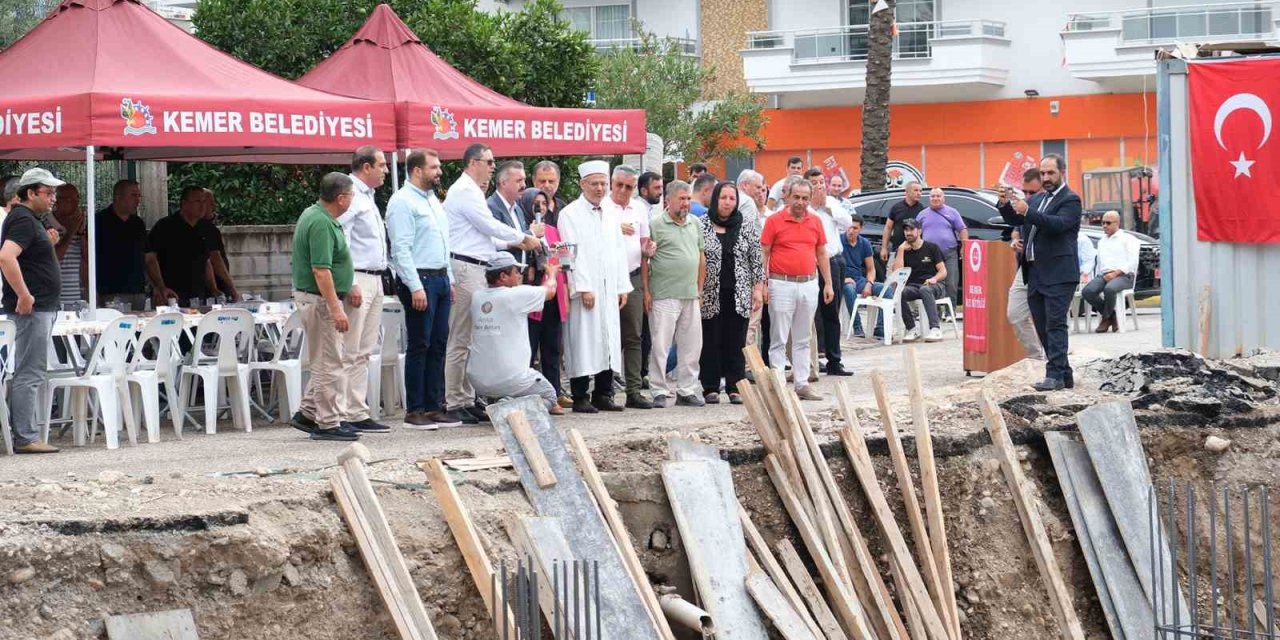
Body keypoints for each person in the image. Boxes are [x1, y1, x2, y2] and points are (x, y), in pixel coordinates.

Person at [445, 144, 540, 424]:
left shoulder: (472, 191)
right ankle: (454, 399)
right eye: (488, 161)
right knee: (461, 336)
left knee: (472, 336)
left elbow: (489, 237)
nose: (491, 166)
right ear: (473, 162)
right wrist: (523, 238)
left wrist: (519, 238)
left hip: (477, 265)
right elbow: (489, 226)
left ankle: (466, 396)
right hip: (466, 266)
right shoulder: (464, 191)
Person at [386, 149, 460, 430]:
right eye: (434, 167)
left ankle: (435, 405)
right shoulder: (402, 202)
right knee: (420, 344)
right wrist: (414, 285)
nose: (439, 171)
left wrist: (450, 278)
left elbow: (443, 244)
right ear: (417, 170)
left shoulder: (433, 201)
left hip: (439, 277)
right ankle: (415, 409)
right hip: (420, 279)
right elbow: (401, 248)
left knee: (439, 343)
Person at [290, 173, 361, 442]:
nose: (352, 200)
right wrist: (336, 308)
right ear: (341, 198)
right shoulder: (320, 222)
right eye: (351, 195)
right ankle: (328, 422)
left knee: (327, 358)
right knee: (328, 362)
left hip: (319, 298)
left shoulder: (319, 216)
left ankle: (308, 413)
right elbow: (321, 271)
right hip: (319, 300)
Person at [558, 160, 632, 414]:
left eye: (603, 183)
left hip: (609, 287)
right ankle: (580, 395)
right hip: (586, 290)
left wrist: (622, 285)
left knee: (608, 340)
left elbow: (618, 251)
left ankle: (604, 392)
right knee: (584, 341)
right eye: (595, 184)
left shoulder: (611, 213)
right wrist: (583, 287)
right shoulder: (569, 214)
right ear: (582, 184)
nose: (600, 188)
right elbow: (570, 253)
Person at [0, 168, 65, 453]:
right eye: (47, 193)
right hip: (33, 307)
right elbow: (5, 256)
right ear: (30, 193)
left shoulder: (29, 220)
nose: (52, 198)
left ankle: (27, 433)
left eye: (54, 193)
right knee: (30, 371)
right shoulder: (23, 219)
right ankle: (26, 436)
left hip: (42, 306)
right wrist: (24, 294)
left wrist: (46, 243)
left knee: (32, 370)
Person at [335, 146, 393, 434]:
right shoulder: (351, 193)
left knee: (364, 349)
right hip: (358, 276)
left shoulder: (368, 196)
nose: (386, 170)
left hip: (375, 277)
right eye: (382, 165)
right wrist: (349, 281)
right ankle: (341, 411)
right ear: (366, 167)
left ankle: (357, 410)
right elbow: (341, 239)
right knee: (350, 347)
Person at [761, 180, 833, 400]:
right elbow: (764, 252)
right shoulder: (774, 221)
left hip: (809, 283)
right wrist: (762, 283)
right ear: (787, 197)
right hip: (780, 283)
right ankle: (779, 385)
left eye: (805, 198)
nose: (800, 202)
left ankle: (802, 384)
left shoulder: (816, 221)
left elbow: (821, 253)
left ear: (810, 199)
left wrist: (828, 283)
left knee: (803, 337)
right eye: (797, 197)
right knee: (779, 337)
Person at [1015, 154, 1082, 391]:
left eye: (1050, 173)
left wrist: (1028, 212)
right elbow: (1021, 221)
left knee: (1055, 324)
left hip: (1060, 273)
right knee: (1042, 325)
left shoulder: (1071, 199)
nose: (1046, 178)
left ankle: (1053, 375)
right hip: (1036, 271)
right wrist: (1005, 206)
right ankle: (1064, 373)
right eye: (1042, 173)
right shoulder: (1039, 199)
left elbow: (1057, 225)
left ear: (1062, 172)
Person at [467, 254, 562, 412]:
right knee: (550, 397)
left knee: (512, 387)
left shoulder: (477, 296)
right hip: (511, 379)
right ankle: (508, 406)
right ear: (503, 276)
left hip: (478, 380)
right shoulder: (515, 295)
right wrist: (551, 273)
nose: (520, 275)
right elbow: (550, 291)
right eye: (516, 272)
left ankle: (503, 400)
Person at [699, 181, 763, 405]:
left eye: (731, 198)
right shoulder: (702, 225)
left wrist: (757, 289)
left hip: (740, 293)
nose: (727, 202)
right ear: (715, 199)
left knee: (737, 340)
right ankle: (710, 387)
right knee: (711, 339)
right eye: (723, 198)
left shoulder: (745, 226)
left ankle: (736, 386)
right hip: (710, 293)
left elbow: (756, 259)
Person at [644, 180, 706, 408]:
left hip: (690, 293)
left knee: (692, 344)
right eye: (681, 198)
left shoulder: (696, 223)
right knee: (661, 344)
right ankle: (659, 390)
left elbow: (700, 257)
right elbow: (645, 259)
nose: (686, 203)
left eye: (688, 198)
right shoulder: (656, 224)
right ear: (668, 200)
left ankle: (686, 389)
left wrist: (699, 287)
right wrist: (647, 291)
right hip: (664, 293)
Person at [608, 165, 655, 409]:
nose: (624, 191)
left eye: (629, 187)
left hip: (634, 276)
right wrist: (614, 230)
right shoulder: (602, 207)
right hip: (607, 278)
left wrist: (646, 288)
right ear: (611, 184)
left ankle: (634, 390)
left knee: (634, 335)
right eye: (620, 185)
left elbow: (644, 246)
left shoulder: (638, 208)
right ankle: (604, 391)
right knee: (606, 334)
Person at [519, 187, 568, 412]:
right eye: (535, 203)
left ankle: (553, 395)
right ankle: (526, 396)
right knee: (528, 348)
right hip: (530, 295)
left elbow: (559, 259)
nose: (539, 207)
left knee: (552, 349)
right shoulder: (522, 229)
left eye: (543, 203)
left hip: (552, 293)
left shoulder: (552, 230)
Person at [806, 169, 853, 377]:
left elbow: (848, 223)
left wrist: (825, 207)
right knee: (811, 313)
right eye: (813, 183)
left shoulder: (832, 203)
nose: (818, 187)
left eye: (820, 183)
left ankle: (835, 360)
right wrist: (814, 207)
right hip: (811, 262)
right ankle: (815, 358)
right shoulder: (803, 207)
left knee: (831, 312)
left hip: (834, 261)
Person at [998, 169, 1046, 360]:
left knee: (1049, 318)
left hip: (1048, 266)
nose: (1028, 197)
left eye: (1032, 193)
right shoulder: (1025, 207)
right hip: (1026, 265)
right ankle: (1035, 356)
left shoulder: (1052, 205)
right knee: (1015, 313)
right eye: (1025, 192)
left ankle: (1054, 358)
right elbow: (1016, 227)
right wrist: (1014, 241)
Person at [146, 186, 221, 306]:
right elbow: (150, 259)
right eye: (197, 202)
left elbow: (206, 261)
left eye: (204, 202)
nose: (202, 206)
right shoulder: (165, 227)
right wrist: (159, 286)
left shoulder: (206, 228)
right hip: (171, 296)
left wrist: (214, 288)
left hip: (198, 296)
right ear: (184, 204)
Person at [1084, 211, 1140, 333]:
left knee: (1109, 289)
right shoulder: (1102, 241)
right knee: (1088, 291)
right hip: (1104, 275)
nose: (1104, 226)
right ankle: (1112, 316)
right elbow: (1099, 263)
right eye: (1103, 223)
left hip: (1124, 275)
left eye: (1108, 223)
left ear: (1117, 223)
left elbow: (1133, 262)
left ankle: (1105, 319)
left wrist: (1115, 273)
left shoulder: (1127, 239)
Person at [96, 179, 147, 309]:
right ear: (118, 197)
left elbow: (147, 256)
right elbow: (87, 258)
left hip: (137, 291)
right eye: (133, 195)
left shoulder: (138, 223)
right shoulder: (99, 221)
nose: (138, 200)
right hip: (110, 292)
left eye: (139, 196)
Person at [893, 218, 947, 343]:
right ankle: (912, 328)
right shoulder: (903, 250)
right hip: (914, 286)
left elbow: (943, 271)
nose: (908, 233)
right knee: (899, 292)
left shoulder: (931, 247)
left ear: (919, 231)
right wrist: (900, 250)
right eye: (906, 230)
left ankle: (935, 329)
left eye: (911, 229)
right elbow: (897, 273)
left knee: (925, 289)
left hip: (935, 285)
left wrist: (934, 279)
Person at [916, 188, 969, 306]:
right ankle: (935, 311)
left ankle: (950, 311)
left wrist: (964, 247)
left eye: (938, 196)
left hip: (949, 253)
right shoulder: (922, 214)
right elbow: (915, 232)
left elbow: (962, 229)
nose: (935, 198)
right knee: (931, 282)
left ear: (943, 198)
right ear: (929, 198)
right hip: (929, 255)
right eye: (933, 196)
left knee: (951, 283)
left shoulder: (952, 212)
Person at [841, 215, 884, 339]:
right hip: (841, 279)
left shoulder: (864, 243)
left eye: (855, 228)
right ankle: (857, 326)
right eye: (849, 227)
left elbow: (871, 269)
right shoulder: (839, 241)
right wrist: (842, 279)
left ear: (861, 229)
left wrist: (869, 283)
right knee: (849, 289)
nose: (851, 231)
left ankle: (880, 328)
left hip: (859, 279)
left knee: (885, 290)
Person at [487, 160, 536, 265]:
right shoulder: (490, 207)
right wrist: (531, 233)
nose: (524, 185)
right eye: (519, 181)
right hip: (501, 276)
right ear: (503, 183)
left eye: (524, 180)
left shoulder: (517, 208)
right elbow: (495, 242)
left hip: (519, 275)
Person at [201, 189, 239, 301]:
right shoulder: (206, 229)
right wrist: (231, 289)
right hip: (211, 293)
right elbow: (213, 260)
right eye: (211, 203)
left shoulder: (208, 228)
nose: (214, 206)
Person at [52, 184, 87, 306]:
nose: (75, 204)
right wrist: (71, 232)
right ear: (57, 201)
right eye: (69, 200)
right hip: (53, 297)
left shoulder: (79, 226)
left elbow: (88, 258)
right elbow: (55, 257)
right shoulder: (46, 224)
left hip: (74, 296)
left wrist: (81, 232)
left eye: (77, 199)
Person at [881, 181, 924, 265]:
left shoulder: (921, 209)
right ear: (907, 192)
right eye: (916, 190)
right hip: (897, 250)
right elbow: (888, 227)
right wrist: (884, 248)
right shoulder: (896, 208)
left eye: (920, 191)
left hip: (916, 251)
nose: (919, 193)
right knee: (894, 276)